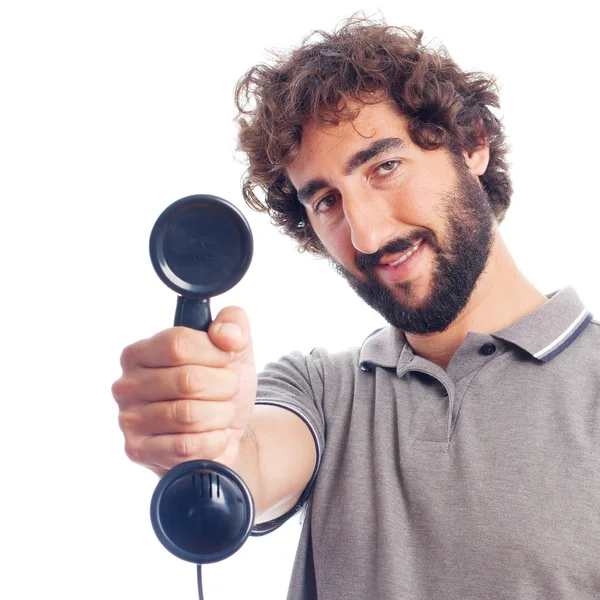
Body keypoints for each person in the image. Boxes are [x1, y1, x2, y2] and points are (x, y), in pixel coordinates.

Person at [112, 19, 600, 599]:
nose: (366, 235)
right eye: (326, 200)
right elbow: (256, 456)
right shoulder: (321, 390)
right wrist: (213, 440)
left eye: (384, 167)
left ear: (472, 144)